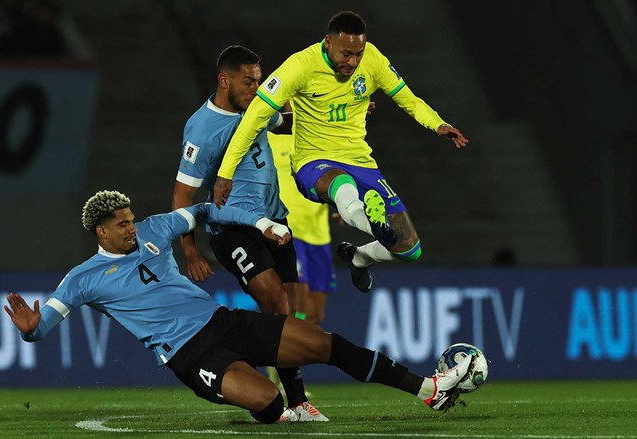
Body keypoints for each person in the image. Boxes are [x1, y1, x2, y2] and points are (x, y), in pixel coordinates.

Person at [4, 190, 473, 423]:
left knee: (323, 343)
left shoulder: (155, 228)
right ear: (100, 232)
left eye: (131, 220)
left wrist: (260, 223)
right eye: (122, 225)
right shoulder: (82, 279)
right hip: (190, 355)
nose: (132, 228)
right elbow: (42, 327)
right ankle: (277, 404)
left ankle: (427, 389)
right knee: (267, 402)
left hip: (222, 321)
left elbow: (205, 211)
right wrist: (29, 329)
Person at [213, 11, 469, 293]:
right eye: (346, 54)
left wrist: (438, 124)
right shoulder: (300, 66)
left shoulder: (373, 59)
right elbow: (255, 117)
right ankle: (372, 223)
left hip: (360, 160)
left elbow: (408, 99)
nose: (353, 62)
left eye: (359, 54)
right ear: (328, 42)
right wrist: (226, 173)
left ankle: (358, 257)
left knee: (409, 248)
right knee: (342, 184)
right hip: (312, 161)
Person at [171, 45, 326, 421]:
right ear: (224, 80)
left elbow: (283, 119)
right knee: (276, 303)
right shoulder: (202, 129)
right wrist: (189, 250)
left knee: (289, 316)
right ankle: (296, 401)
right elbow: (182, 196)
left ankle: (247, 361)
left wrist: (333, 114)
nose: (257, 88)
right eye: (249, 81)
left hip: (276, 223)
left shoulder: (255, 109)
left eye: (259, 80)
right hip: (234, 230)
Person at [269, 132, 335, 325]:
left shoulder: (317, 135)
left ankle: (299, 344)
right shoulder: (267, 137)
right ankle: (282, 342)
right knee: (298, 308)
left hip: (319, 234)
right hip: (288, 231)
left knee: (316, 315)